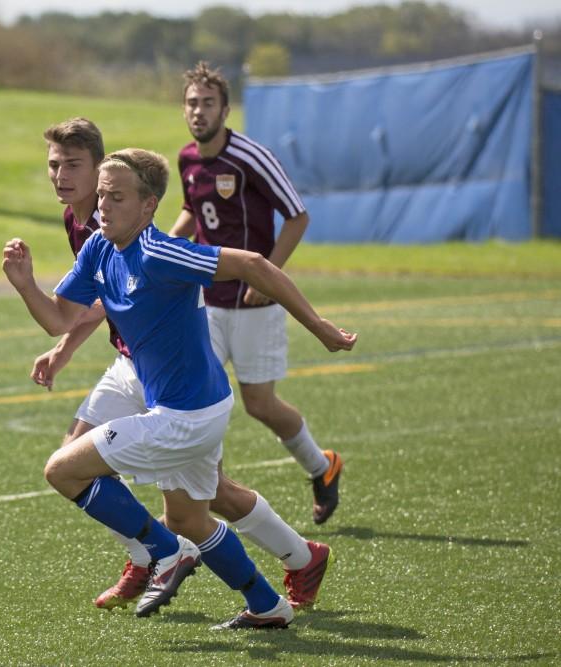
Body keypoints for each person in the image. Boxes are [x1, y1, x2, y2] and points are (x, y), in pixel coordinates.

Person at [3, 148, 357, 629]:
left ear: (149, 207)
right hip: (188, 408)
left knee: (62, 471)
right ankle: (268, 604)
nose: (104, 206)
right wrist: (25, 284)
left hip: (184, 417)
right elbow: (59, 319)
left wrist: (319, 328)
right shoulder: (99, 248)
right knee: (192, 516)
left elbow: (254, 263)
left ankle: (164, 554)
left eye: (118, 197)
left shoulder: (160, 251)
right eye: (102, 195)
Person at [169, 61, 344, 526]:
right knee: (195, 395)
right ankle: (205, 493)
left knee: (259, 405)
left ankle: (322, 468)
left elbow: (297, 216)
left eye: (208, 103)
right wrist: (164, 247)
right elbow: (193, 211)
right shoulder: (187, 158)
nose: (199, 111)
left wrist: (267, 281)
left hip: (254, 304)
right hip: (207, 300)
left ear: (226, 109)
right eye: (192, 103)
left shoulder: (250, 157)